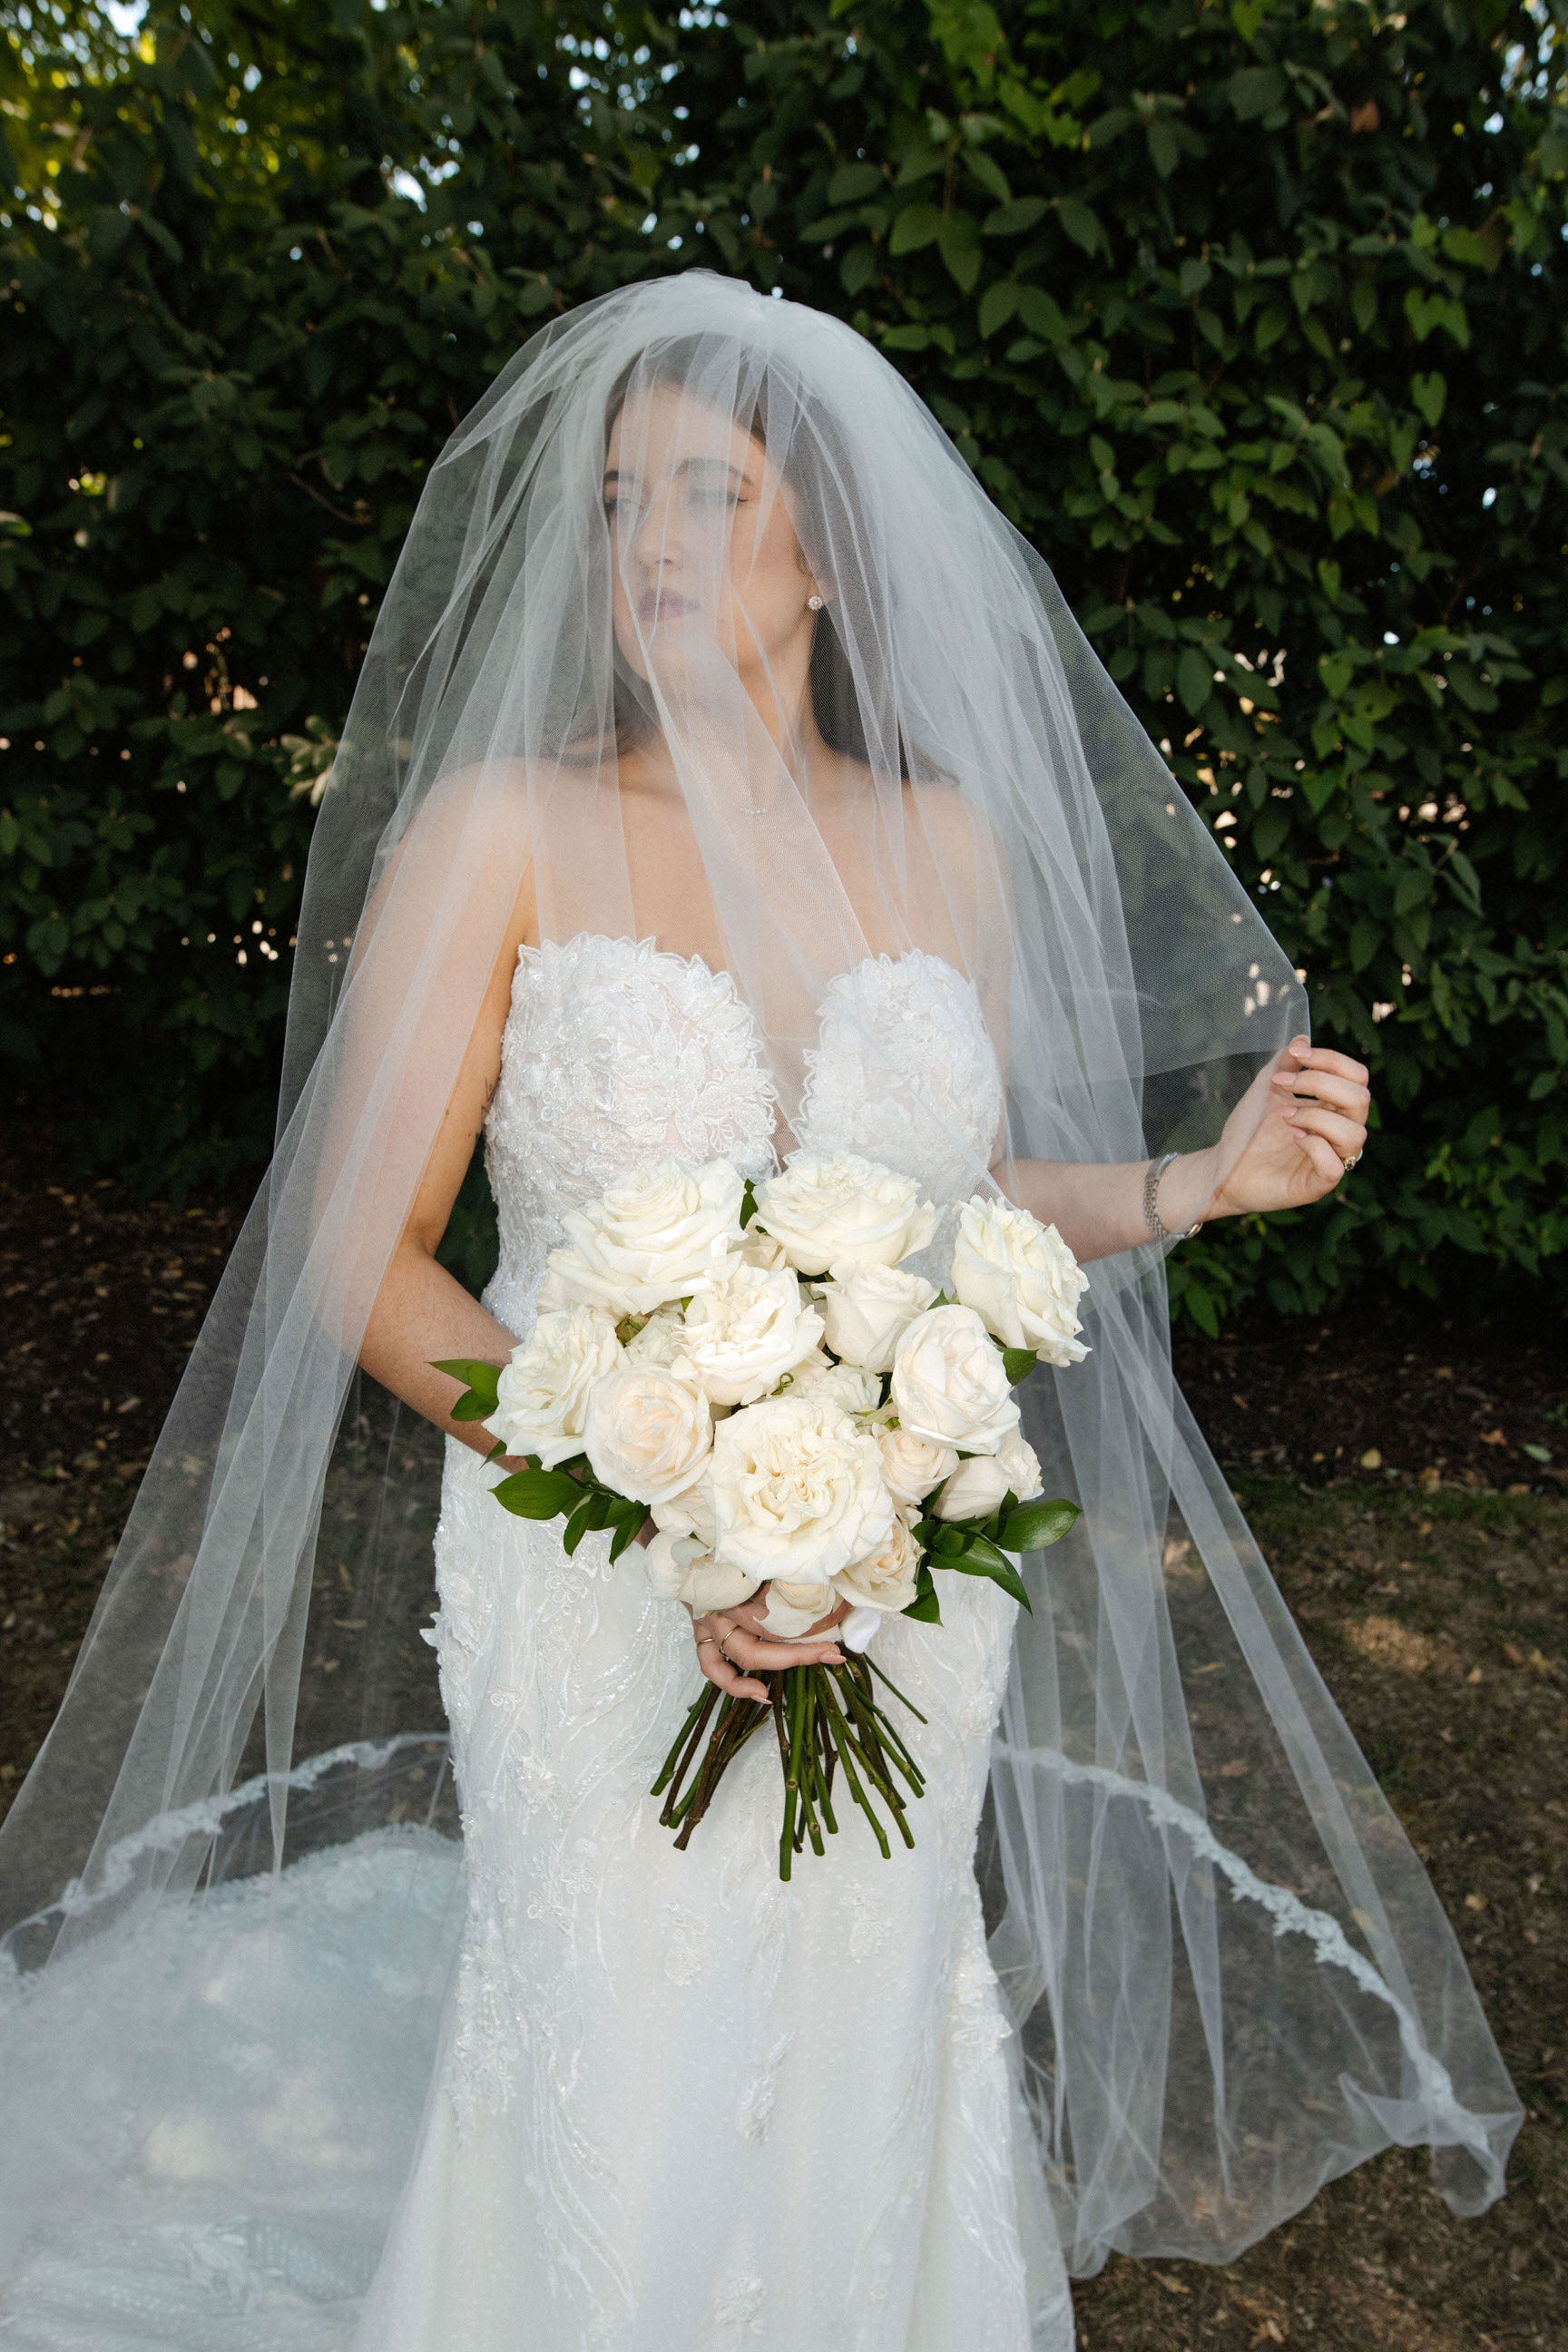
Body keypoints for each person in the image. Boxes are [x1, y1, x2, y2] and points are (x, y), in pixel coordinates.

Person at [0, 270, 1519, 2351]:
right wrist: (668, 1519)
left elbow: (951, 1204)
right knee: (628, 2050)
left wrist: (1197, 1180)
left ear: (827, 552)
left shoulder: (945, 847)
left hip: (900, 1565)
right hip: (588, 1555)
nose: (646, 545)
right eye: (623, 498)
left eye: (710, 495)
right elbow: (357, 1253)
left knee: (866, 2011)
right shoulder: (502, 830)